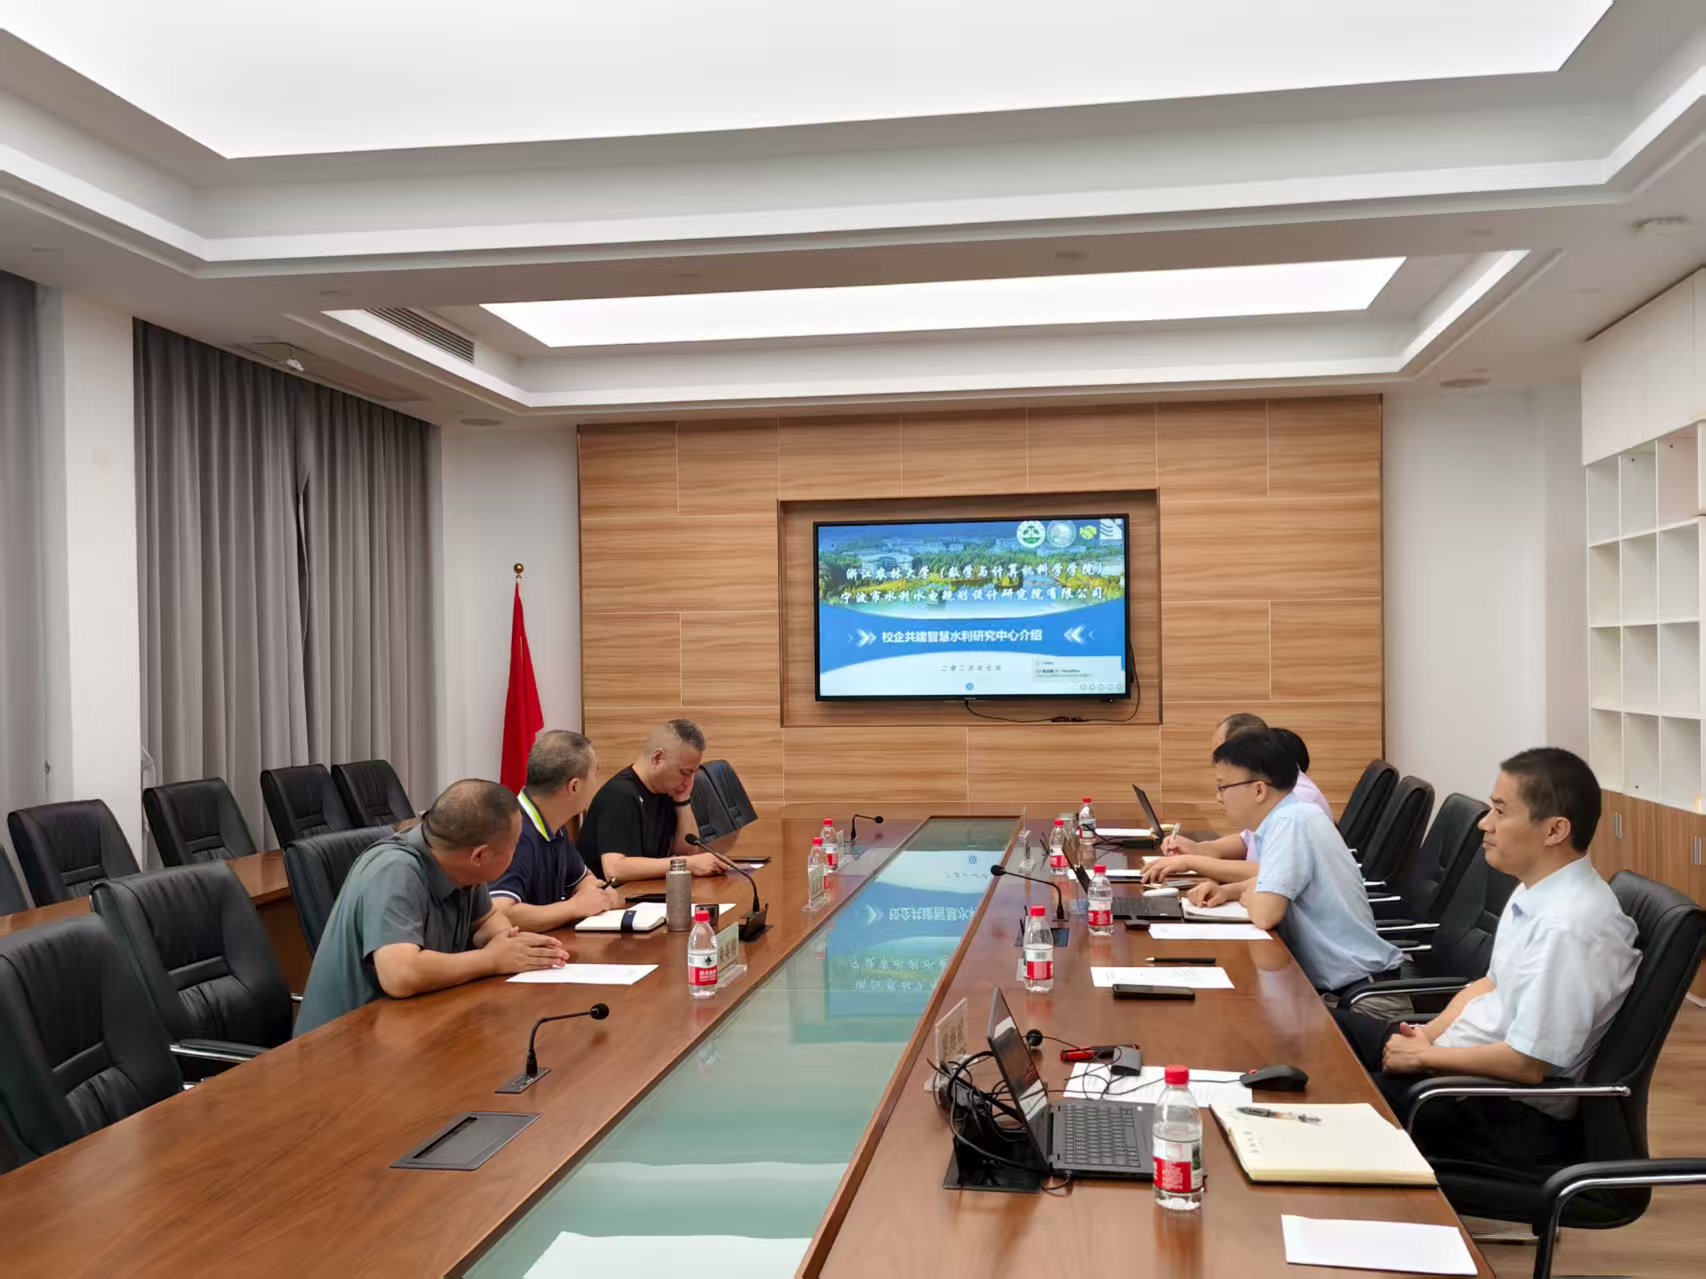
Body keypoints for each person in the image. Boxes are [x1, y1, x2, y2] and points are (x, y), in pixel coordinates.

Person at [1335, 747, 1639, 1164]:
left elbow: (1527, 1064)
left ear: (1554, 830)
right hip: (1455, 1066)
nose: (1485, 823)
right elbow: (1489, 984)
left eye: (1500, 811)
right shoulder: (1536, 889)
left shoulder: (1571, 927)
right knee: (1320, 1028)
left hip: (1496, 1108)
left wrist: (1425, 1057)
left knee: (1331, 1093)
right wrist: (1427, 1036)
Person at [293, 779, 569, 1036]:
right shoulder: (395, 870)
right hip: (342, 1042)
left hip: (408, 1024)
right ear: (480, 856)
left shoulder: (459, 863)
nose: (516, 850)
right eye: (514, 844)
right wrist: (492, 959)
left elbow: (487, 921)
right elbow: (400, 974)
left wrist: (511, 944)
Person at [1186, 729, 1406, 1013]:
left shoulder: (1291, 822)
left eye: (1223, 787)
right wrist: (1228, 891)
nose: (1218, 798)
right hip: (1337, 991)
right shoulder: (1288, 816)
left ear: (1259, 790)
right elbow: (1272, 883)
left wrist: (1253, 896)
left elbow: (1266, 914)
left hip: (1362, 1001)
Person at [1144, 714, 1333, 884]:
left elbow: (1270, 874)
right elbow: (1248, 842)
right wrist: (1200, 849)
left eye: (1223, 753)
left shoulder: (1294, 802)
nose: (1219, 762)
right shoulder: (1279, 788)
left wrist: (1192, 862)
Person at [490, 730, 625, 931]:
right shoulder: (515, 833)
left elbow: (586, 880)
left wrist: (597, 895)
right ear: (574, 786)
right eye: (594, 773)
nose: (596, 782)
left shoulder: (554, 826)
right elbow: (499, 914)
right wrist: (574, 907)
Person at [578, 718, 723, 885]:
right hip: (610, 896)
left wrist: (682, 800)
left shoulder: (666, 790)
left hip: (646, 890)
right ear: (657, 758)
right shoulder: (619, 795)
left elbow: (688, 852)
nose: (689, 782)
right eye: (685, 773)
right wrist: (686, 864)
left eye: (693, 773)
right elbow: (615, 870)